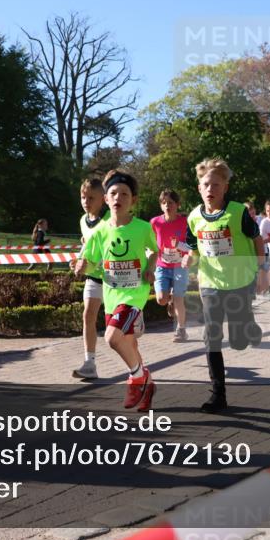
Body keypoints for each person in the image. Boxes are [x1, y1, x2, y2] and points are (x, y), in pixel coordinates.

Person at [185, 158, 269, 413]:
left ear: (225, 188)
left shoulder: (238, 212)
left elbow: (257, 240)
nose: (210, 189)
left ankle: (247, 323)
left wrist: (263, 271)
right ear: (199, 188)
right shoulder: (194, 217)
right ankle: (217, 395)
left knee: (239, 342)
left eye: (216, 185)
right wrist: (190, 262)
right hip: (211, 282)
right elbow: (194, 249)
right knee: (211, 336)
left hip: (241, 281)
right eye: (206, 185)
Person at [75, 170, 159, 411]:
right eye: (113, 193)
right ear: (106, 199)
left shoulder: (142, 228)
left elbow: (154, 250)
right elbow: (91, 261)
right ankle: (147, 385)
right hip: (112, 294)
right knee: (129, 344)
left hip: (134, 294)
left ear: (133, 200)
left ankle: (136, 378)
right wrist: (83, 265)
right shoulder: (100, 231)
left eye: (124, 193)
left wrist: (151, 266)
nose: (118, 196)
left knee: (112, 338)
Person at [70, 179, 109, 379]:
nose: (86, 201)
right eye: (83, 197)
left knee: (117, 330)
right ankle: (89, 363)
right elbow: (87, 246)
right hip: (94, 278)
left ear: (102, 200)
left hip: (114, 279)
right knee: (88, 315)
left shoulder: (112, 218)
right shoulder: (83, 221)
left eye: (91, 198)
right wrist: (78, 262)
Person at [150, 189, 191, 343]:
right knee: (161, 299)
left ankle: (181, 330)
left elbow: (192, 246)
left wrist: (179, 245)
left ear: (178, 205)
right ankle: (169, 301)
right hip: (162, 266)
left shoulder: (184, 222)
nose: (167, 205)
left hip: (180, 266)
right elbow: (150, 243)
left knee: (179, 297)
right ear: (161, 206)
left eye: (171, 203)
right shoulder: (155, 223)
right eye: (164, 203)